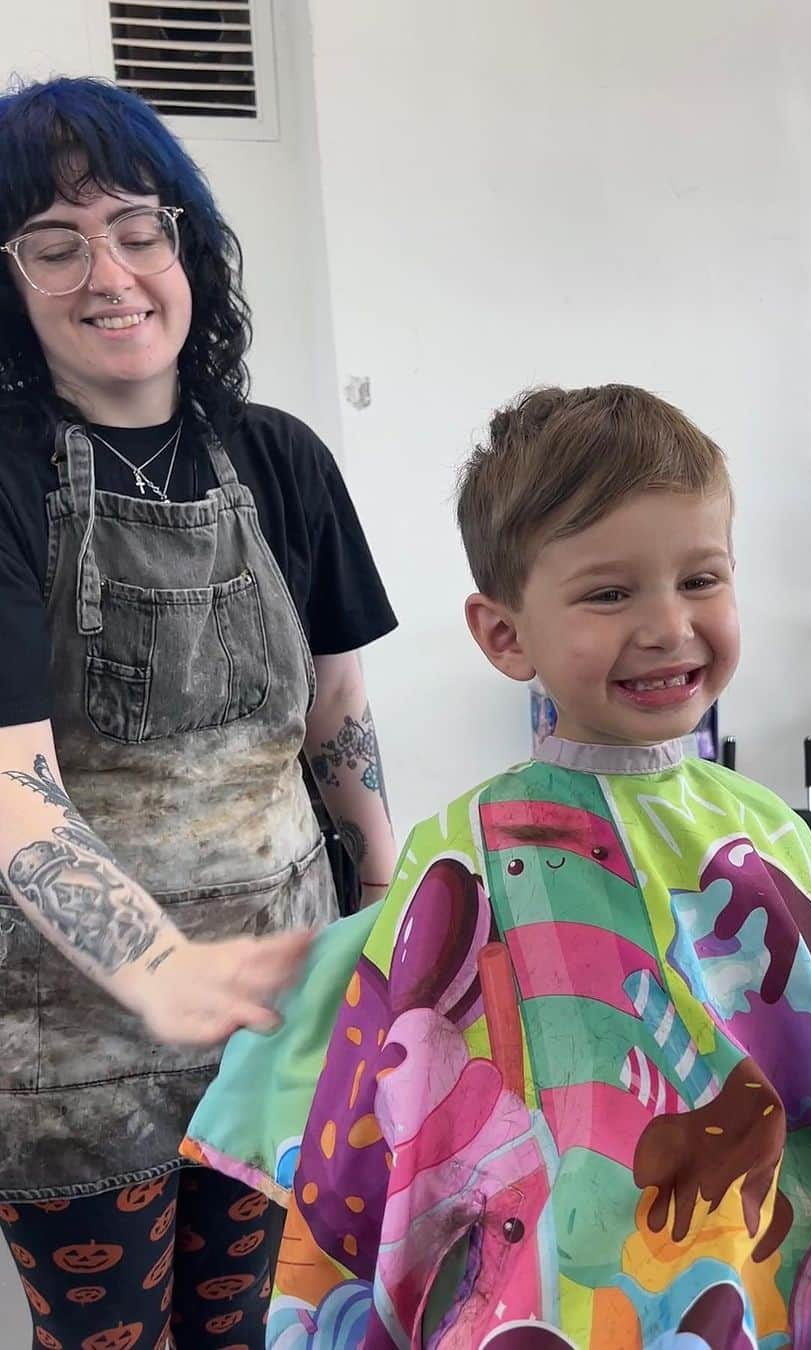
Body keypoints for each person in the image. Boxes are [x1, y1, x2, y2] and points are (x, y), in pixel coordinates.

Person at [185, 385, 811, 1348]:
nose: (667, 625)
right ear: (504, 633)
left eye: (701, 580)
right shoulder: (472, 851)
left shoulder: (763, 827)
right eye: (610, 594)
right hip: (562, 1281)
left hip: (800, 1256)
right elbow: (402, 1081)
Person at [0, 76, 398, 1349]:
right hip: (73, 1038)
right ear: (9, 284)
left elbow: (336, 703)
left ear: (187, 249)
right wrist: (157, 969)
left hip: (280, 1009)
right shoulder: (3, 478)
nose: (107, 272)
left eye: (136, 229)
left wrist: (387, 906)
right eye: (54, 245)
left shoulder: (280, 455)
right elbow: (10, 784)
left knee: (251, 1328)